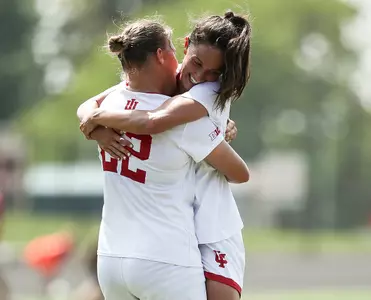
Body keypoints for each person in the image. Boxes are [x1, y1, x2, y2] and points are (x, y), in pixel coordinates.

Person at [79, 11, 251, 300]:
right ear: (165, 53)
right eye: (193, 62)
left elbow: (87, 109)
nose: (199, 77)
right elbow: (239, 173)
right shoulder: (184, 118)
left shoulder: (113, 101)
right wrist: (214, 133)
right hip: (165, 257)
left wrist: (94, 126)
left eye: (212, 74)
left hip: (110, 260)